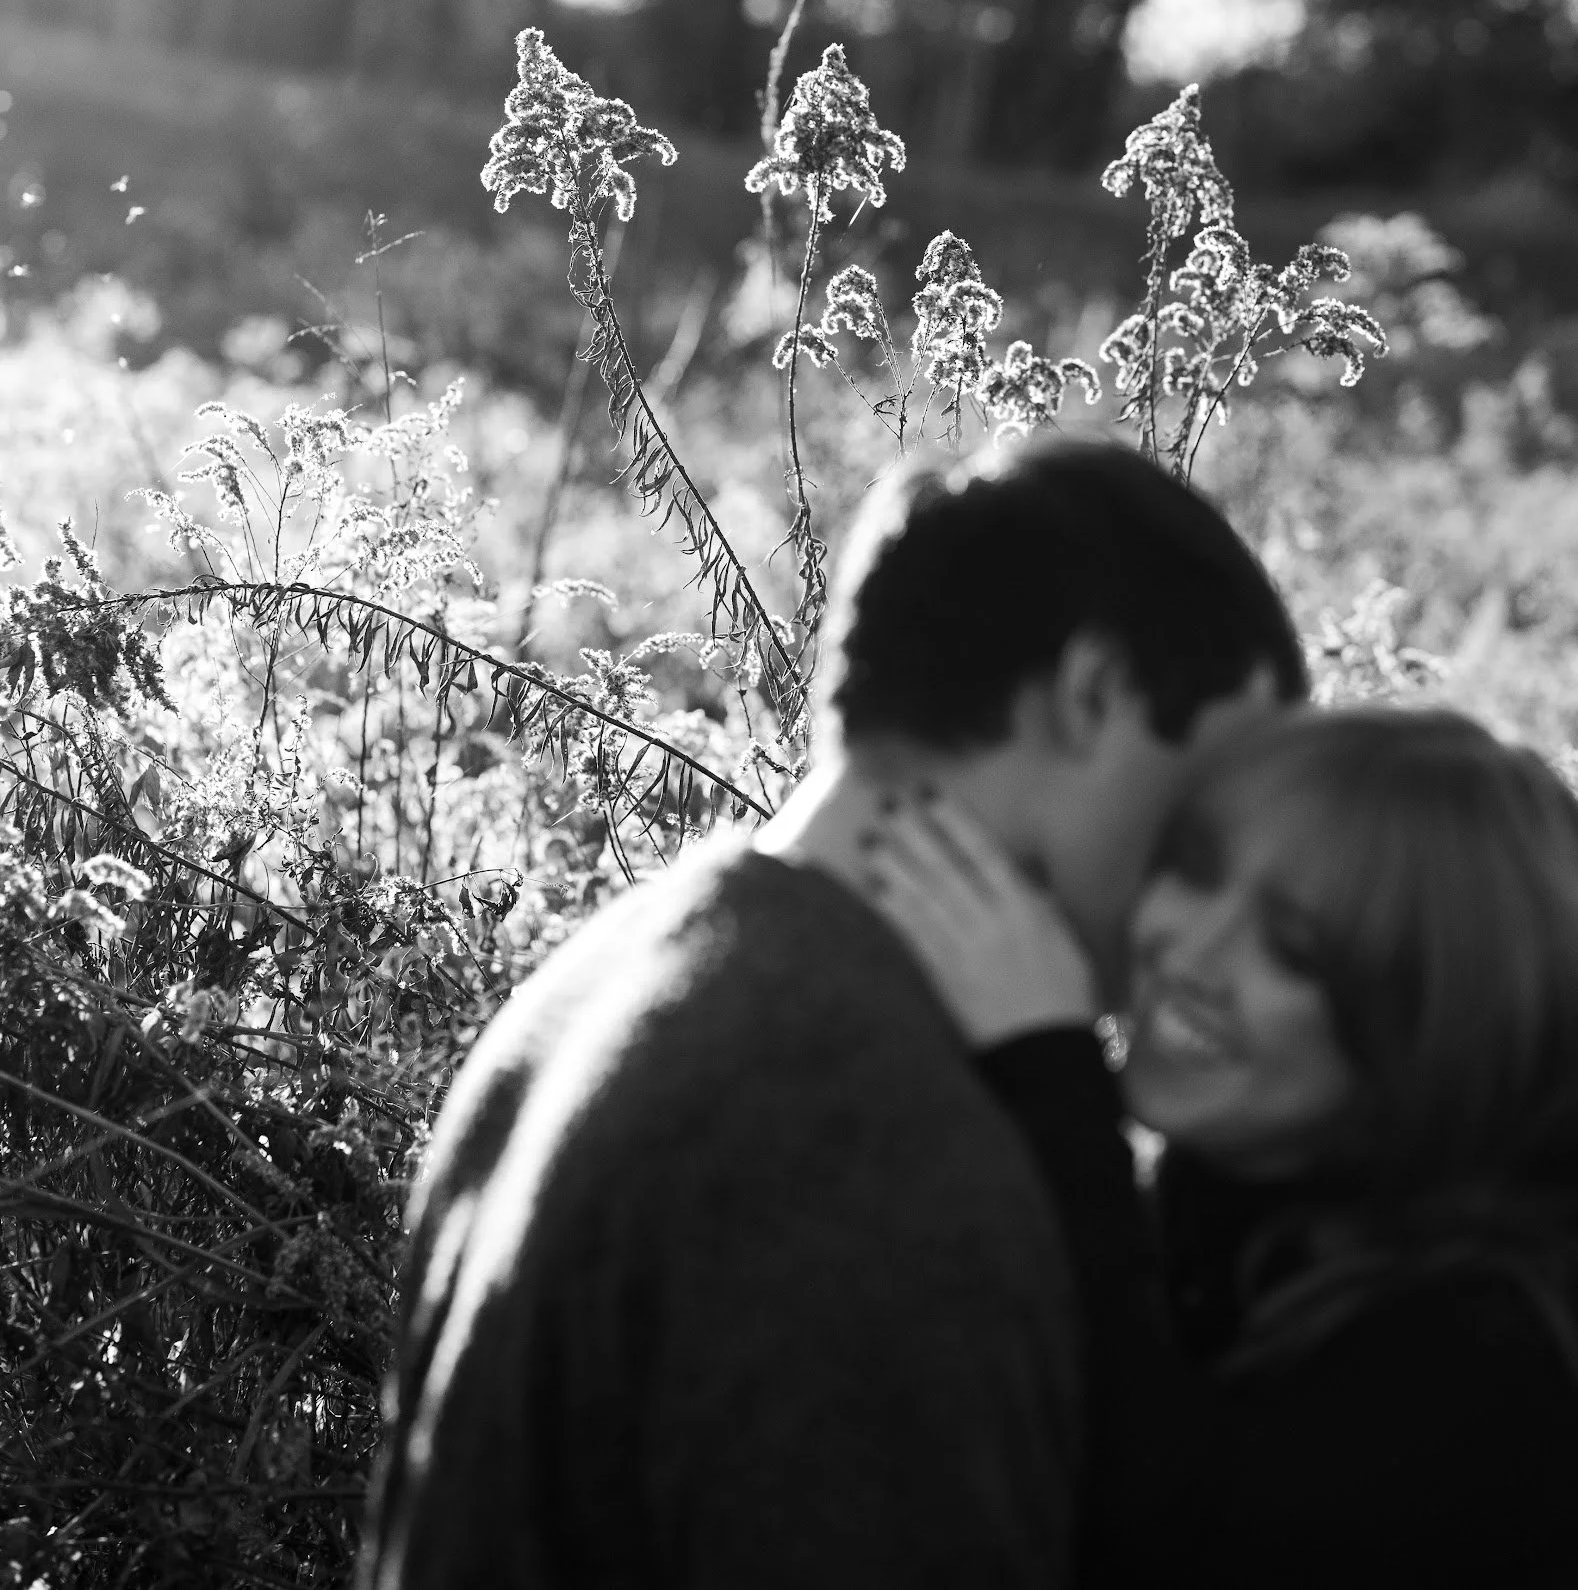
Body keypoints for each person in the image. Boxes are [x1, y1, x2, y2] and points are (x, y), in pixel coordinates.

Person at [359, 437, 1307, 1589]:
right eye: (1210, 802)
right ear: (1094, 693)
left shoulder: (593, 986)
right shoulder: (856, 1129)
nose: (1209, 890)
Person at [864, 706, 1578, 1589]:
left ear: (1429, 1044)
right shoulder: (1226, 1204)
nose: (1188, 950)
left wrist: (1053, 1080)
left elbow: (1171, 1538)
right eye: (1196, 870)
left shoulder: (1493, 1356)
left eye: (1293, 948)